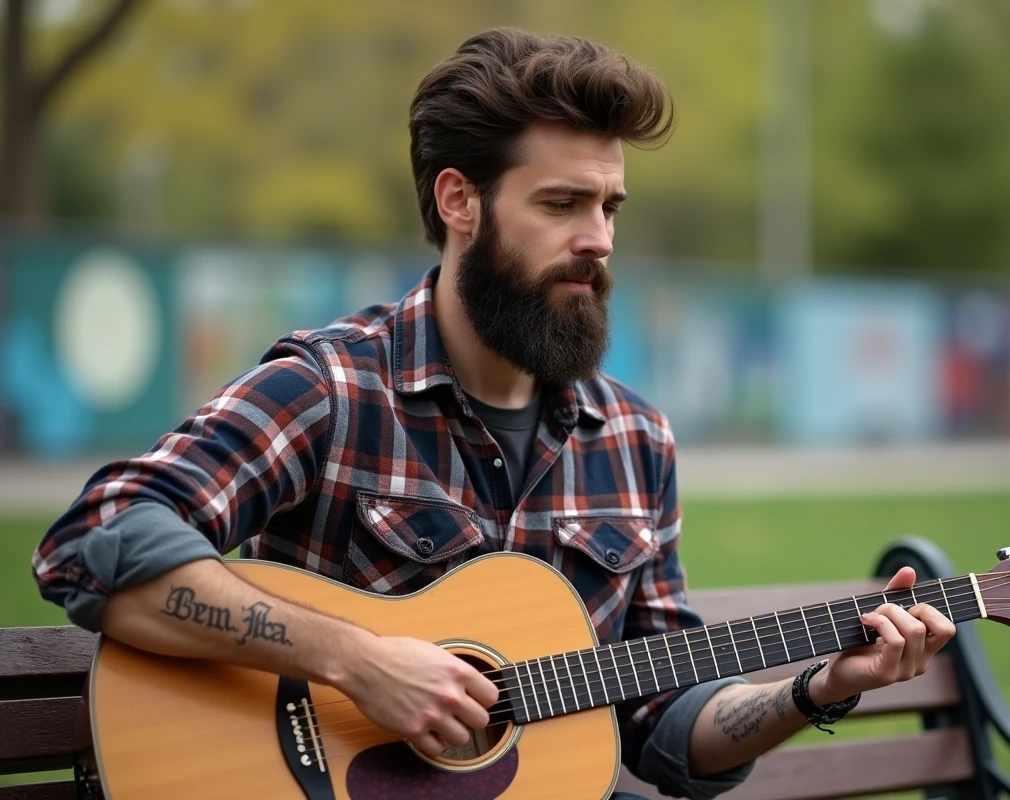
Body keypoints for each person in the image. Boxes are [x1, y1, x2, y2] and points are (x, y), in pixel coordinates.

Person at [32, 27, 954, 800]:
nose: (597, 238)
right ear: (459, 199)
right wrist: (358, 660)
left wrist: (821, 684)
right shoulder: (333, 389)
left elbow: (659, 725)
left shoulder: (636, 442)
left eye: (609, 205)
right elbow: (97, 540)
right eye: (562, 203)